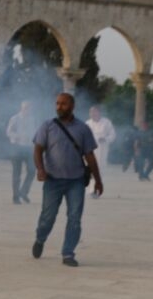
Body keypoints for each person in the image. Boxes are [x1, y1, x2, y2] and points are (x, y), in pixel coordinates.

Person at [30, 92, 103, 267]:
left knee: (75, 217)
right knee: (48, 217)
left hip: (76, 181)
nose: (59, 107)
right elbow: (38, 149)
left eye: (63, 104)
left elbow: (90, 156)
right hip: (53, 180)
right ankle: (40, 238)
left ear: (72, 106)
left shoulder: (83, 129)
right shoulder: (47, 126)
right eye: (57, 103)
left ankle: (68, 253)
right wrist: (40, 169)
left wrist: (98, 180)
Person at [6, 101, 34, 205]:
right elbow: (8, 132)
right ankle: (15, 196)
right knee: (16, 173)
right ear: (21, 108)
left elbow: (33, 132)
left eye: (29, 108)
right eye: (25, 108)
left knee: (32, 171)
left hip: (28, 148)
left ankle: (24, 192)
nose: (27, 110)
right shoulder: (15, 118)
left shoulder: (32, 119)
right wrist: (18, 136)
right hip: (16, 148)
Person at [86, 106, 116, 171]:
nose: (93, 114)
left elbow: (113, 135)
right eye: (91, 112)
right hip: (91, 150)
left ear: (99, 112)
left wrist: (105, 139)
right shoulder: (87, 123)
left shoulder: (106, 122)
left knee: (101, 167)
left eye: (94, 112)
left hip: (103, 148)